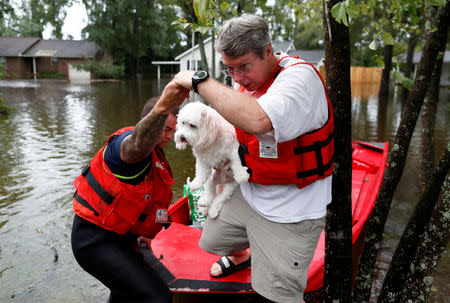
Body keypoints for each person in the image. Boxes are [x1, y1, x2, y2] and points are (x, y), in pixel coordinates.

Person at [174, 14, 334, 303]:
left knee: (276, 296)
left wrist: (197, 81)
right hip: (250, 192)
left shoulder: (300, 78)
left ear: (269, 51)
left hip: (290, 212)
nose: (237, 78)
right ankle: (243, 254)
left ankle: (272, 259)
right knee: (210, 240)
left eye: (244, 67)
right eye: (229, 69)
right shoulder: (242, 82)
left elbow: (260, 120)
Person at [71, 80, 189, 303]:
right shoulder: (124, 149)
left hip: (121, 237)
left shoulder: (157, 159)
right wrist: (163, 106)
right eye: (165, 129)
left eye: (173, 130)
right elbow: (135, 146)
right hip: (93, 241)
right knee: (158, 297)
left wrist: (143, 232)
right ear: (149, 122)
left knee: (125, 293)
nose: (169, 136)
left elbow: (144, 204)